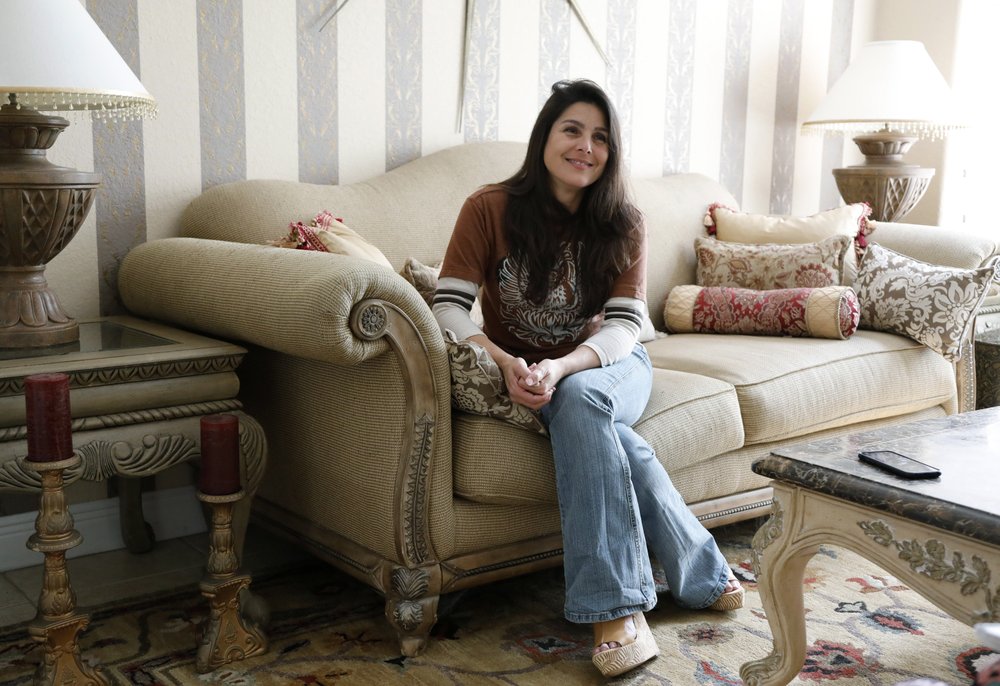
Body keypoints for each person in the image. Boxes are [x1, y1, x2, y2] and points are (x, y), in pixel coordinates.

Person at [432, 79, 743, 678]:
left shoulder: (624, 222)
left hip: (611, 365)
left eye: (600, 138)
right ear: (545, 137)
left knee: (578, 397)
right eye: (572, 130)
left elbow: (625, 326)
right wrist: (502, 361)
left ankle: (614, 609)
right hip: (526, 370)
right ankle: (703, 571)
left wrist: (563, 365)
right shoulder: (488, 208)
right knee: (616, 441)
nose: (586, 146)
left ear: (611, 152)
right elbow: (447, 307)